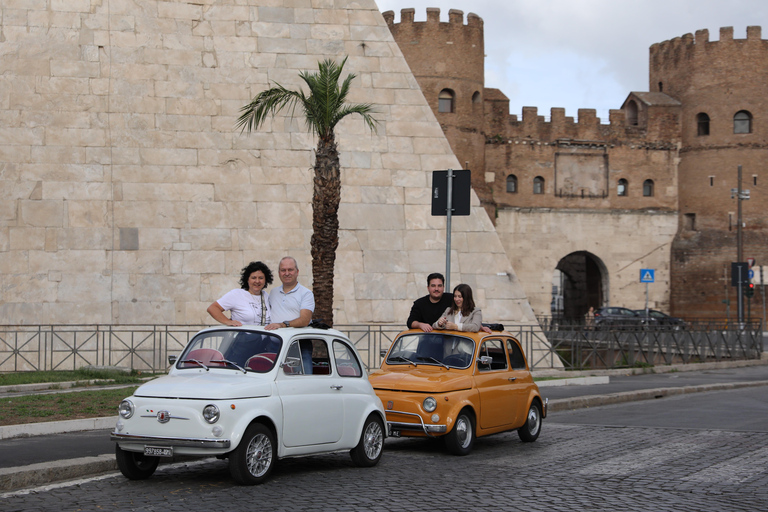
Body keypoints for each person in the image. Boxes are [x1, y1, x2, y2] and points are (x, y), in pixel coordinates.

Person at [265, 257, 315, 374]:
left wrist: (282, 325)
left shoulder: (306, 293)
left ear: (297, 272)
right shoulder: (273, 293)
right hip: (275, 345)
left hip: (299, 344)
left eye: (290, 270)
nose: (287, 273)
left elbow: (305, 320)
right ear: (279, 273)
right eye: (283, 270)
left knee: (303, 380)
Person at [207, 261, 273, 326]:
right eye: (253, 278)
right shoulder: (237, 294)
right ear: (247, 279)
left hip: (264, 336)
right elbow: (213, 308)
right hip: (242, 336)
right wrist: (227, 321)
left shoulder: (266, 296)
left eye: (261, 278)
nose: (257, 281)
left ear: (266, 280)